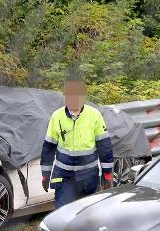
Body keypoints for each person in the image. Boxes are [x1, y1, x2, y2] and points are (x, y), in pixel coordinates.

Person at [40, 80, 114, 209]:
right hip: (64, 176)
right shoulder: (57, 116)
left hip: (88, 176)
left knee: (88, 213)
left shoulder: (94, 115)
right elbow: (49, 147)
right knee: (62, 213)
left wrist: (107, 173)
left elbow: (104, 146)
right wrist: (45, 174)